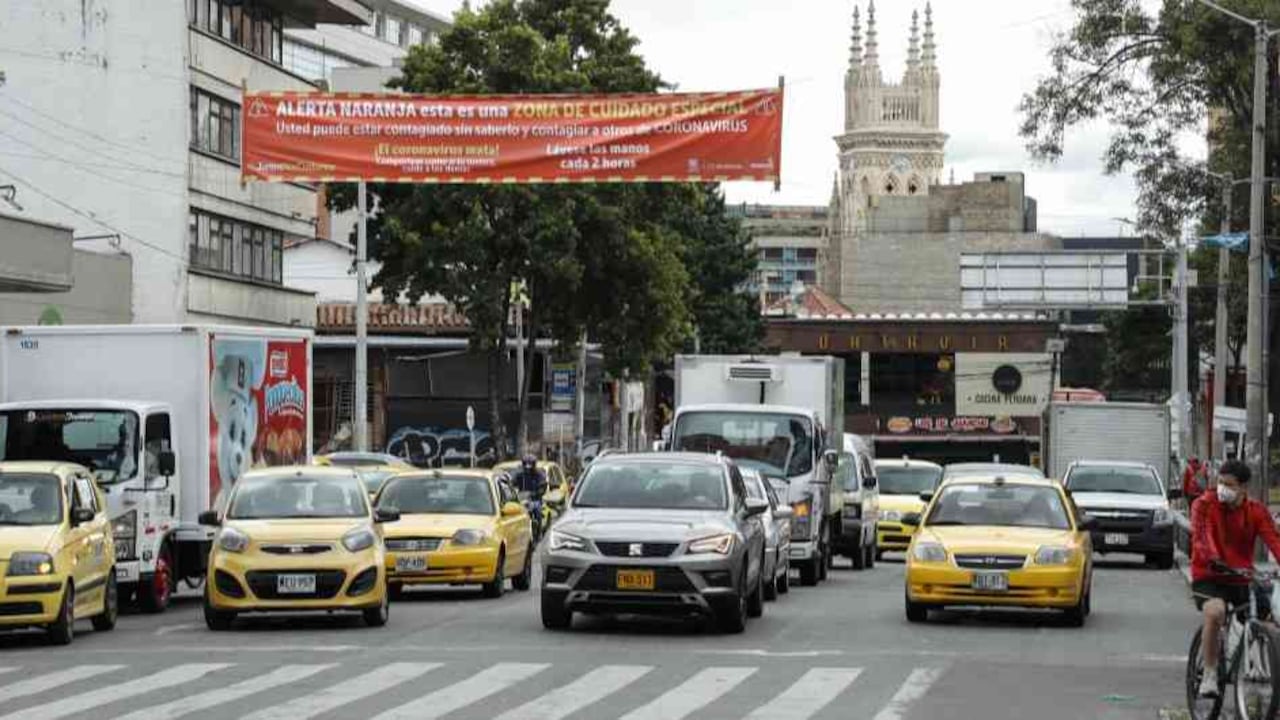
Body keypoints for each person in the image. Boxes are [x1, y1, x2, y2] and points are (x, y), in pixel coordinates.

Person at [1190, 460, 1280, 698]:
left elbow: (1274, 540)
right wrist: (1212, 558)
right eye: (1220, 482)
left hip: (1241, 576)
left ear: (1243, 488)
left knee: (1265, 619)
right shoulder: (1204, 504)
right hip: (1209, 573)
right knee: (1215, 612)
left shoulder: (1256, 511)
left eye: (1229, 484)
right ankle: (1209, 674)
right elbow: (1201, 535)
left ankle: (1257, 664)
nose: (1222, 488)